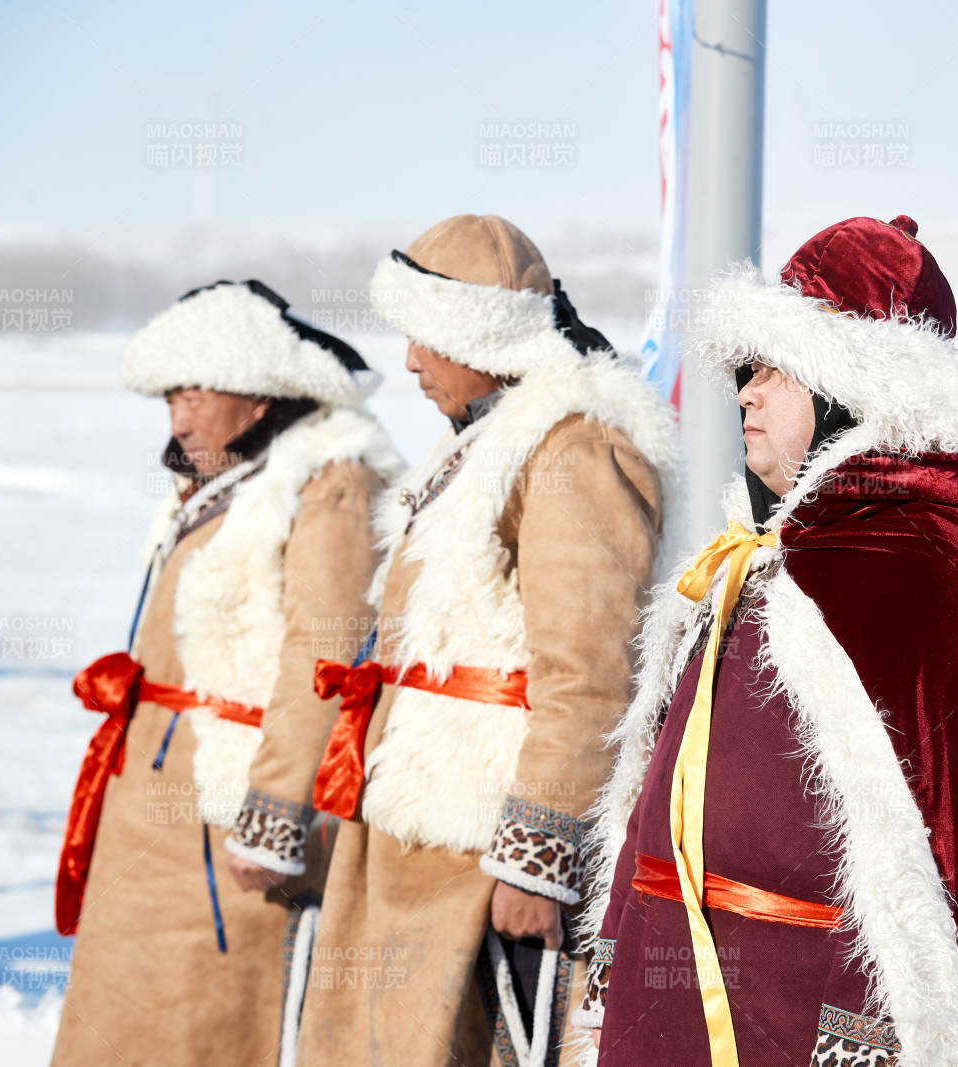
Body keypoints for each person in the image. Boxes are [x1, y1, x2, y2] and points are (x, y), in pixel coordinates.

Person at [574, 214, 958, 1066]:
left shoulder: (925, 566)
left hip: (797, 1012)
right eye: (741, 371)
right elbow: (659, 781)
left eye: (771, 369)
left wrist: (864, 1033)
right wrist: (618, 940)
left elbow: (940, 863)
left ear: (847, 381)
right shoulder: (764, 555)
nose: (745, 393)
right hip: (672, 982)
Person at [295, 215, 681, 1066]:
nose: (409, 361)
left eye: (426, 337)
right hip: (415, 829)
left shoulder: (574, 448)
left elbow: (589, 670)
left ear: (481, 333)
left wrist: (536, 857)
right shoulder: (480, 446)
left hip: (484, 847)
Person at [52, 279, 401, 1066]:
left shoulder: (329, 484)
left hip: (226, 815)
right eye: (170, 398)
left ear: (259, 393)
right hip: (146, 810)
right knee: (121, 1017)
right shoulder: (221, 486)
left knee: (202, 1023)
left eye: (196, 395)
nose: (179, 419)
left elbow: (324, 656)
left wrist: (273, 815)